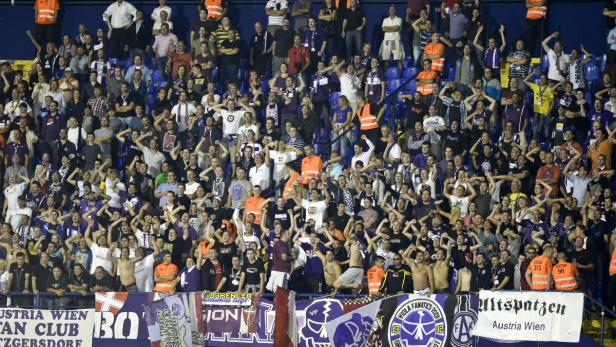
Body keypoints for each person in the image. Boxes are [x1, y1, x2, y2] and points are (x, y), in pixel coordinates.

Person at [380, 5, 404, 69]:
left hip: (396, 40)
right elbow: (383, 29)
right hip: (387, 40)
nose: (391, 10)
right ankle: (386, 75)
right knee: (386, 58)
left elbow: (397, 28)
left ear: (396, 10)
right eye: (390, 9)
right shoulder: (385, 20)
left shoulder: (399, 19)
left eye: (393, 9)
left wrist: (388, 27)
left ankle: (401, 75)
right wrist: (393, 28)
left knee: (398, 58)